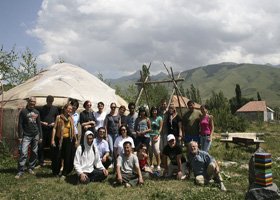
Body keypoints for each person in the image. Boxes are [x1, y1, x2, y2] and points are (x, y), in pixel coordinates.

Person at [15, 97, 43, 179]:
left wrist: (40, 136)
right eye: (31, 101)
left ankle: (30, 167)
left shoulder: (37, 112)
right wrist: (20, 136)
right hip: (26, 135)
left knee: (34, 152)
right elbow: (20, 124)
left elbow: (39, 125)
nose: (33, 103)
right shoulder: (23, 111)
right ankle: (20, 170)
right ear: (28, 101)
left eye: (34, 101)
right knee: (23, 152)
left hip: (35, 134)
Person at [51, 103, 77, 178]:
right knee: (57, 156)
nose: (70, 110)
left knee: (67, 156)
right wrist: (52, 139)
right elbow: (54, 128)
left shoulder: (71, 118)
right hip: (59, 139)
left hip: (69, 139)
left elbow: (73, 130)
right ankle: (56, 172)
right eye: (68, 108)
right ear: (65, 109)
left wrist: (75, 140)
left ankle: (65, 173)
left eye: (71, 109)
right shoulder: (58, 117)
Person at [38, 95, 59, 166]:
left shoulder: (55, 109)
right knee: (41, 145)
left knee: (52, 145)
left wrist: (54, 123)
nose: (50, 103)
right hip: (43, 130)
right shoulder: (42, 108)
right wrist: (42, 123)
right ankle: (41, 161)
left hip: (52, 130)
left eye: (51, 102)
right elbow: (38, 119)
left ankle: (53, 161)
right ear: (46, 101)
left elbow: (58, 118)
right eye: (49, 101)